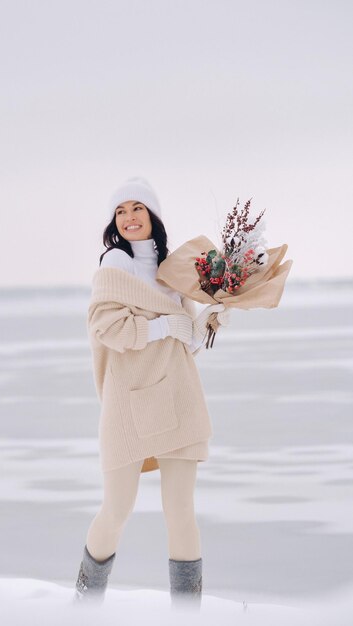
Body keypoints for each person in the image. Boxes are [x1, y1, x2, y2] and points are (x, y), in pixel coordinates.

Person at [75, 177, 229, 610]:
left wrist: (210, 321)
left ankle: (187, 614)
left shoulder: (177, 272)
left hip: (177, 397)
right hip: (129, 403)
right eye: (120, 212)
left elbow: (190, 344)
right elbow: (106, 328)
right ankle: (83, 607)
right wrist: (165, 325)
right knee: (116, 510)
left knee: (181, 512)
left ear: (154, 215)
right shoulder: (113, 266)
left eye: (137, 208)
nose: (128, 218)